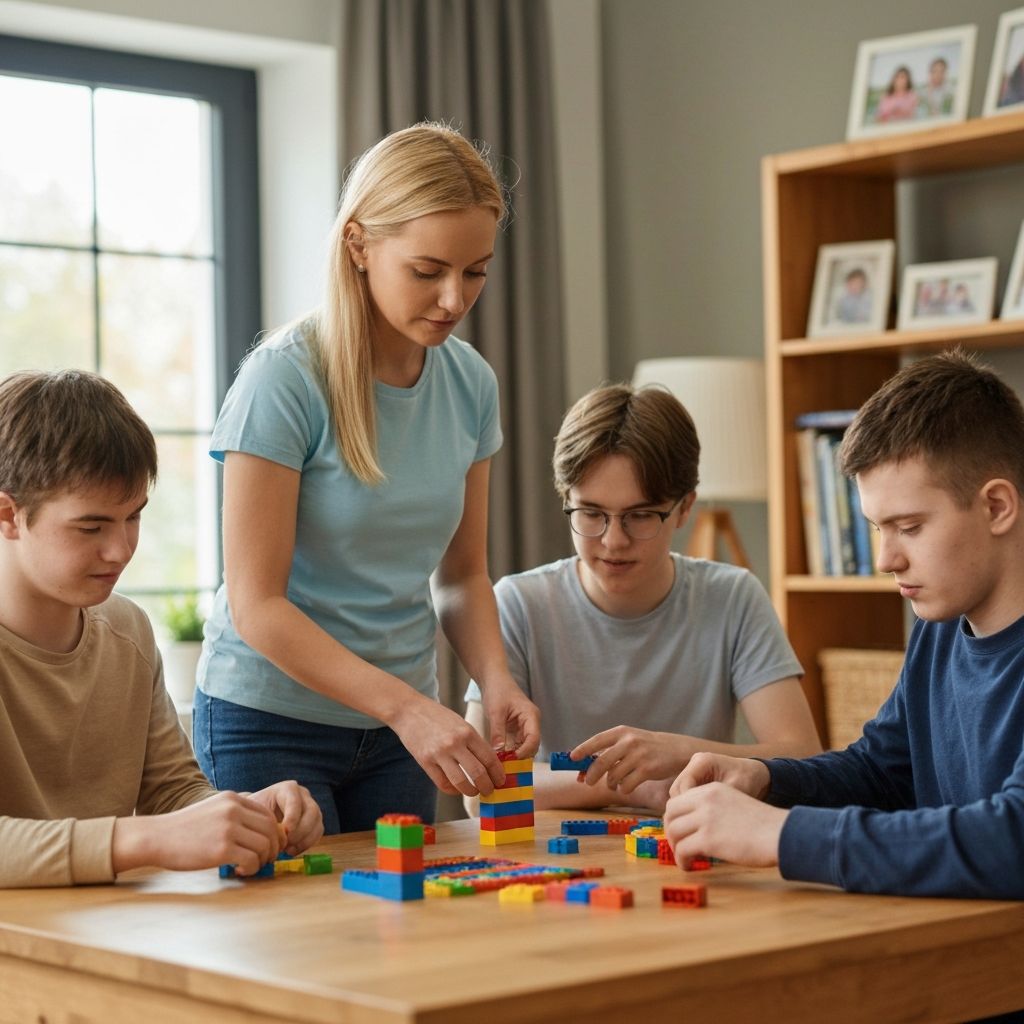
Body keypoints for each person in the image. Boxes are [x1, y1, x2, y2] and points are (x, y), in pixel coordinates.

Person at [193, 122, 540, 835]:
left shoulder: (471, 383)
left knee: (397, 940)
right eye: (427, 270)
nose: (454, 298)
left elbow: (462, 575)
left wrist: (495, 678)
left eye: (475, 271)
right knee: (296, 943)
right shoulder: (283, 380)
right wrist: (409, 709)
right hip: (269, 723)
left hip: (399, 738)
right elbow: (258, 605)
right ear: (359, 244)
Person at [664, 350, 1024, 899]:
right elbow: (881, 772)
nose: (886, 559)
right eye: (878, 528)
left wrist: (780, 834)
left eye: (909, 526)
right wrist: (768, 781)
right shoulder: (942, 626)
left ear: (997, 506)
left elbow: (1010, 840)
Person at [0, 370, 323, 888]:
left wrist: (242, 812)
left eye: (133, 517)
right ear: (8, 515)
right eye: (92, 527)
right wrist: (147, 840)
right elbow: (159, 829)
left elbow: (171, 792)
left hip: (107, 928)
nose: (122, 549)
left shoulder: (127, 629)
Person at [463, 383, 821, 814]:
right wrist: (626, 786)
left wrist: (679, 750)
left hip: (689, 852)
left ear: (685, 508)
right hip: (554, 863)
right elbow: (479, 787)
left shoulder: (733, 597)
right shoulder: (519, 603)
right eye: (591, 514)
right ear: (566, 500)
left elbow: (802, 759)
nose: (614, 540)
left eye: (639, 516)